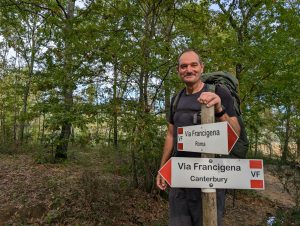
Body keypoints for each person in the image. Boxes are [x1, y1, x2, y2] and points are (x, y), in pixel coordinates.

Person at [156, 49, 241, 226]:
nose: (189, 69)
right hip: (180, 177)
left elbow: (235, 132)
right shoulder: (176, 99)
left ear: (202, 67)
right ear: (178, 71)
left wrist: (219, 109)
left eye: (194, 65)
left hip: (210, 178)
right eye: (184, 66)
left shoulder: (219, 93)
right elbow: (171, 135)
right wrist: (163, 168)